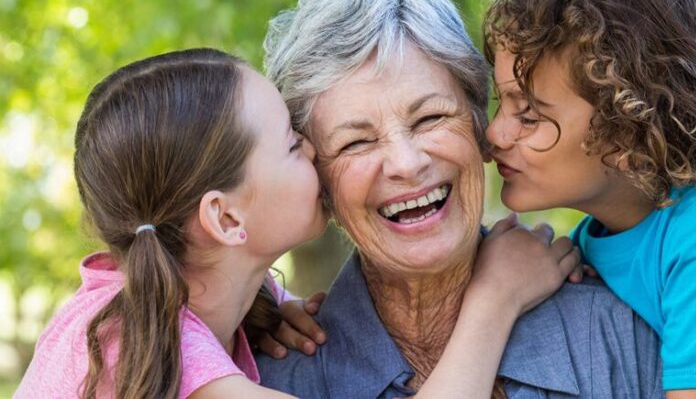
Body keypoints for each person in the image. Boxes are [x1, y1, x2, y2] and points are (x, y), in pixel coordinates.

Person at [13, 48, 581, 399]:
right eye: (291, 142)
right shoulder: (135, 341)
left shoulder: (182, 300)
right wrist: (495, 300)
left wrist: (262, 307)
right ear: (226, 217)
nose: (314, 149)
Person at [258, 0, 664, 398]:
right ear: (318, 182)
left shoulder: (620, 330)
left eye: (430, 117)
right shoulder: (271, 379)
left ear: (478, 128)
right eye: (357, 142)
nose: (407, 163)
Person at [483, 0, 696, 399]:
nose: (494, 134)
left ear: (631, 129)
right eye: (501, 104)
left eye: (530, 115)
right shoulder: (596, 238)